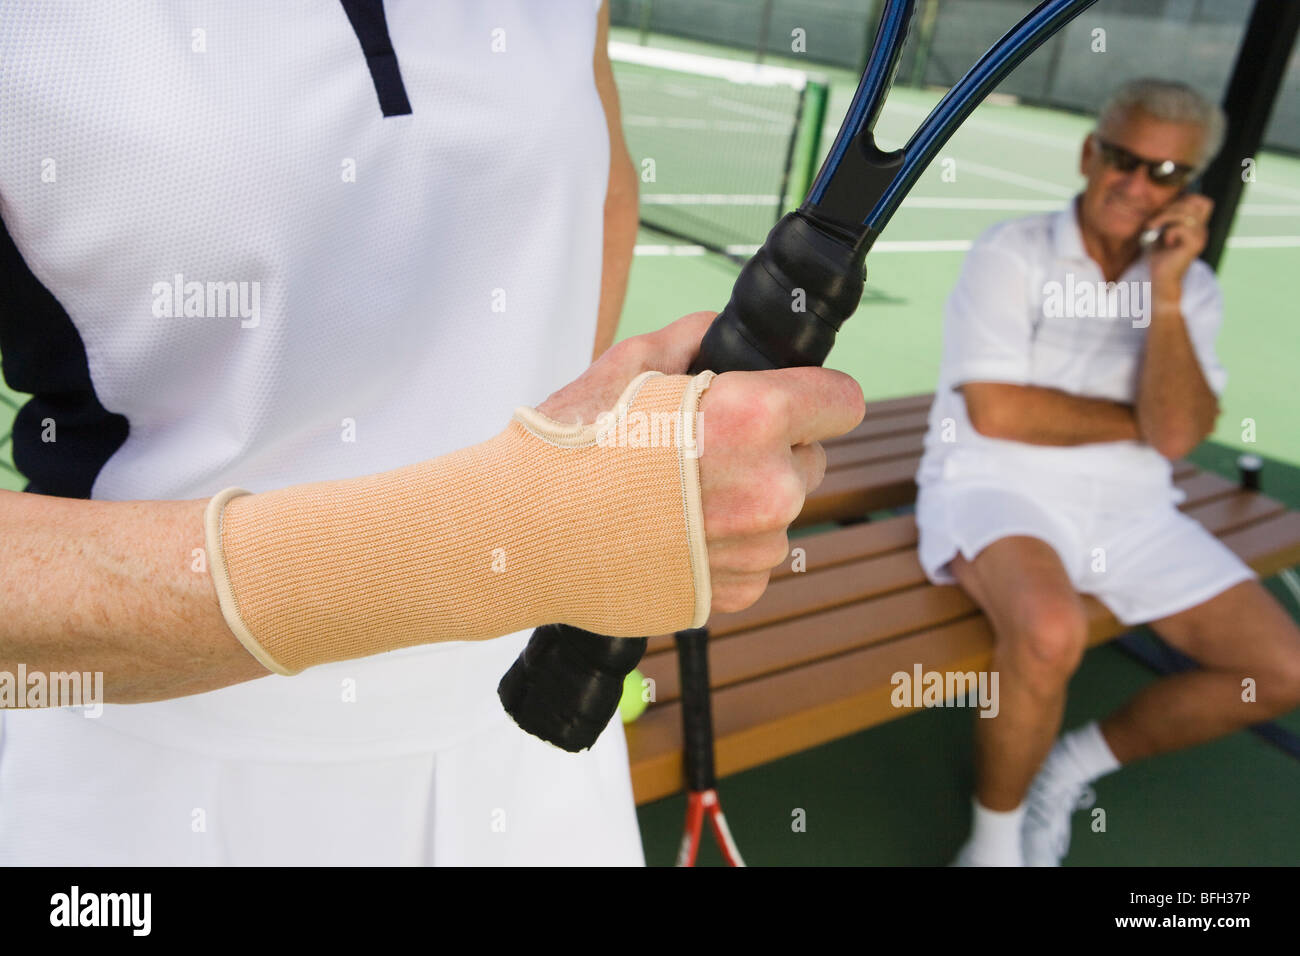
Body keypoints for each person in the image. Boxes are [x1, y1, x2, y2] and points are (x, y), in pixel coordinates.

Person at [0, 0, 864, 865]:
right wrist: (514, 537)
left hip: (537, 745)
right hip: (146, 784)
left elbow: (596, 183)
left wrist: (570, 454)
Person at [914, 78, 1300, 866]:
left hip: (1131, 508)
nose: (1138, 182)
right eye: (1125, 158)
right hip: (994, 486)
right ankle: (992, 844)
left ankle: (1072, 765)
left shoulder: (1191, 288)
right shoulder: (1009, 253)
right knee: (1051, 633)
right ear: (1092, 153)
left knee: (1282, 671)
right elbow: (997, 414)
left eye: (1166, 172)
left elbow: (1179, 434)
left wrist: (1162, 293)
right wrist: (1139, 425)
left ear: (1187, 188)